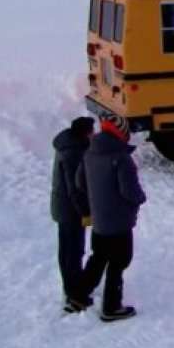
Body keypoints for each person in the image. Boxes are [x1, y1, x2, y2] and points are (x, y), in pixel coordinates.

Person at [72, 113, 146, 322]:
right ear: (121, 133)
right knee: (119, 262)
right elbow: (129, 191)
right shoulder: (121, 158)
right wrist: (140, 198)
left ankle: (78, 296)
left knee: (98, 258)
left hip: (100, 220)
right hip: (120, 221)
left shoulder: (90, 153)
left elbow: (79, 182)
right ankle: (111, 307)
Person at [51, 116, 95, 313]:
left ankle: (70, 290)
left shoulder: (67, 145)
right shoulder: (74, 153)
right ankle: (74, 296)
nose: (94, 134)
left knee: (67, 250)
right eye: (92, 131)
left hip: (61, 207)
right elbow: (75, 188)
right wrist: (85, 211)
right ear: (85, 133)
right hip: (71, 211)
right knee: (73, 251)